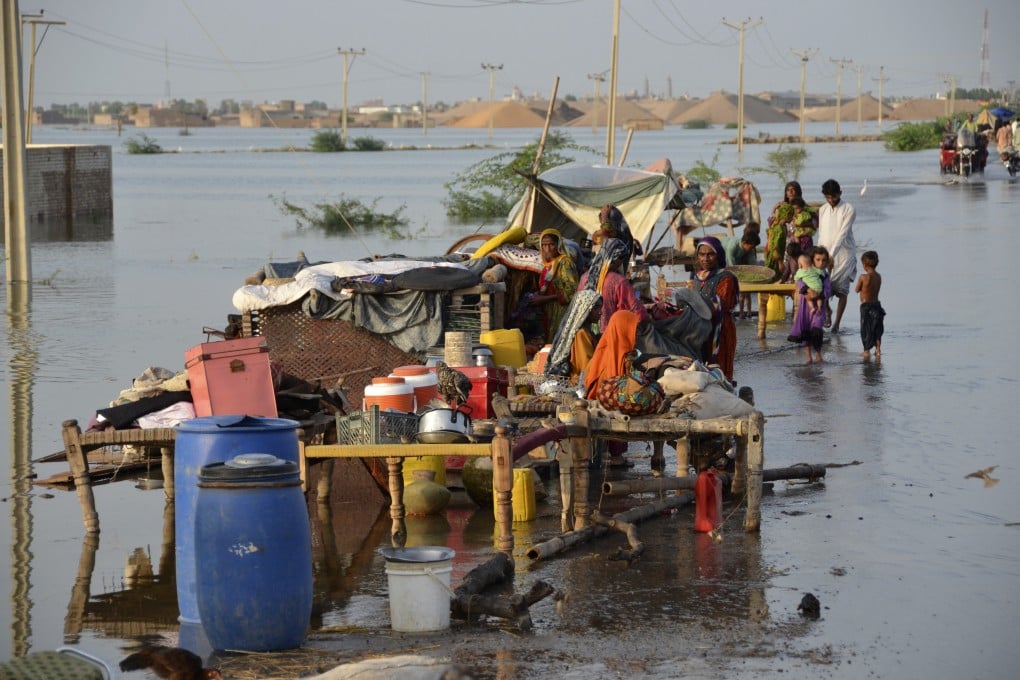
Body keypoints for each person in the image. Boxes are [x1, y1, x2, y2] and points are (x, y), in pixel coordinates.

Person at [690, 236, 739, 381]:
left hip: (721, 329)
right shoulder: (696, 276)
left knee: (720, 367)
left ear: (718, 255)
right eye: (702, 254)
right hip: (700, 329)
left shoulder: (726, 277)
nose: (706, 258)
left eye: (710, 254)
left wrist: (694, 302)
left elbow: (722, 303)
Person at [577, 237, 649, 333]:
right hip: (610, 335)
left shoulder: (584, 278)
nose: (621, 263)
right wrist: (648, 319)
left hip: (585, 332)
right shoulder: (619, 281)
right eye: (622, 259)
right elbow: (636, 311)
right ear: (616, 259)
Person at [816, 179, 857, 333]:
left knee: (841, 291)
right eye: (828, 197)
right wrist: (821, 255)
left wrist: (831, 255)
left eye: (833, 196)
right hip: (825, 255)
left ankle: (837, 324)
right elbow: (821, 234)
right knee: (823, 288)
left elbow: (842, 233)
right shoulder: (823, 209)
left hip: (844, 255)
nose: (831, 200)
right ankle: (827, 312)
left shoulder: (848, 209)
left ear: (840, 193)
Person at [532, 228, 579, 343]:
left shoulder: (565, 263)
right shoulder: (547, 265)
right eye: (544, 245)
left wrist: (545, 299)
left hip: (561, 312)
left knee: (559, 342)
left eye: (551, 244)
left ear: (558, 245)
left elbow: (572, 292)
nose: (547, 249)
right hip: (548, 313)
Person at [787, 246, 832, 364]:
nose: (821, 263)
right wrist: (807, 291)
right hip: (805, 307)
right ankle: (808, 357)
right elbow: (799, 283)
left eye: (824, 260)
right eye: (818, 260)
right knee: (806, 331)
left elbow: (828, 290)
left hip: (819, 308)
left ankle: (818, 355)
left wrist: (819, 294)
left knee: (817, 330)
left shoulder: (825, 275)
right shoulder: (804, 272)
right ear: (812, 260)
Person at [855, 250, 886, 361]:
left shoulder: (863, 277)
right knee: (877, 327)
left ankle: (866, 351)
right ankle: (878, 350)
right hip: (877, 305)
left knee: (866, 328)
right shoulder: (879, 276)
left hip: (866, 306)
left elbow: (856, 290)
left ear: (864, 265)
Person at [722, 231, 760, 319]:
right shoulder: (732, 247)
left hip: (738, 260)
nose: (753, 249)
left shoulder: (750, 250)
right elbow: (732, 266)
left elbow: (753, 263)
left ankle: (744, 312)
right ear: (744, 243)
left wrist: (759, 273)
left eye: (754, 247)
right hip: (724, 259)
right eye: (752, 246)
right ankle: (728, 310)